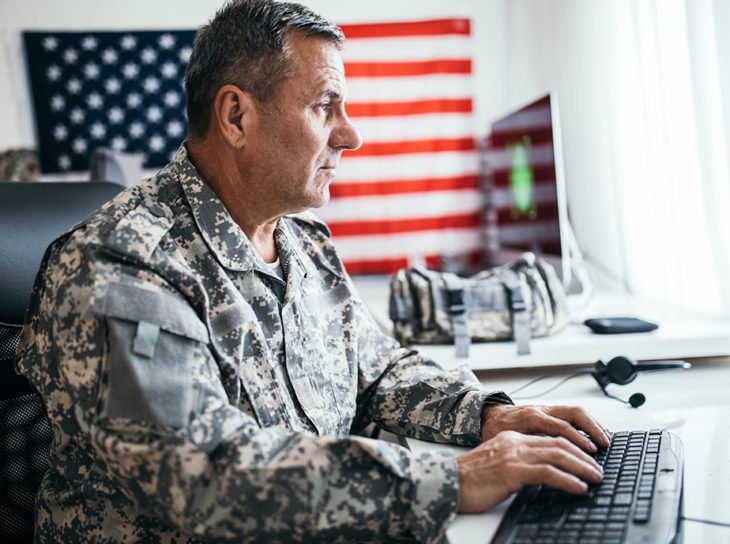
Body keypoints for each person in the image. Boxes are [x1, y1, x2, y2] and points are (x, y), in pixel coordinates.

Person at [17, 1, 609, 542]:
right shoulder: (120, 265)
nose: (351, 134)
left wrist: (487, 415)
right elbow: (204, 473)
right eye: (325, 106)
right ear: (235, 116)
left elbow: (376, 371)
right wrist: (453, 477)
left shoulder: (300, 242)